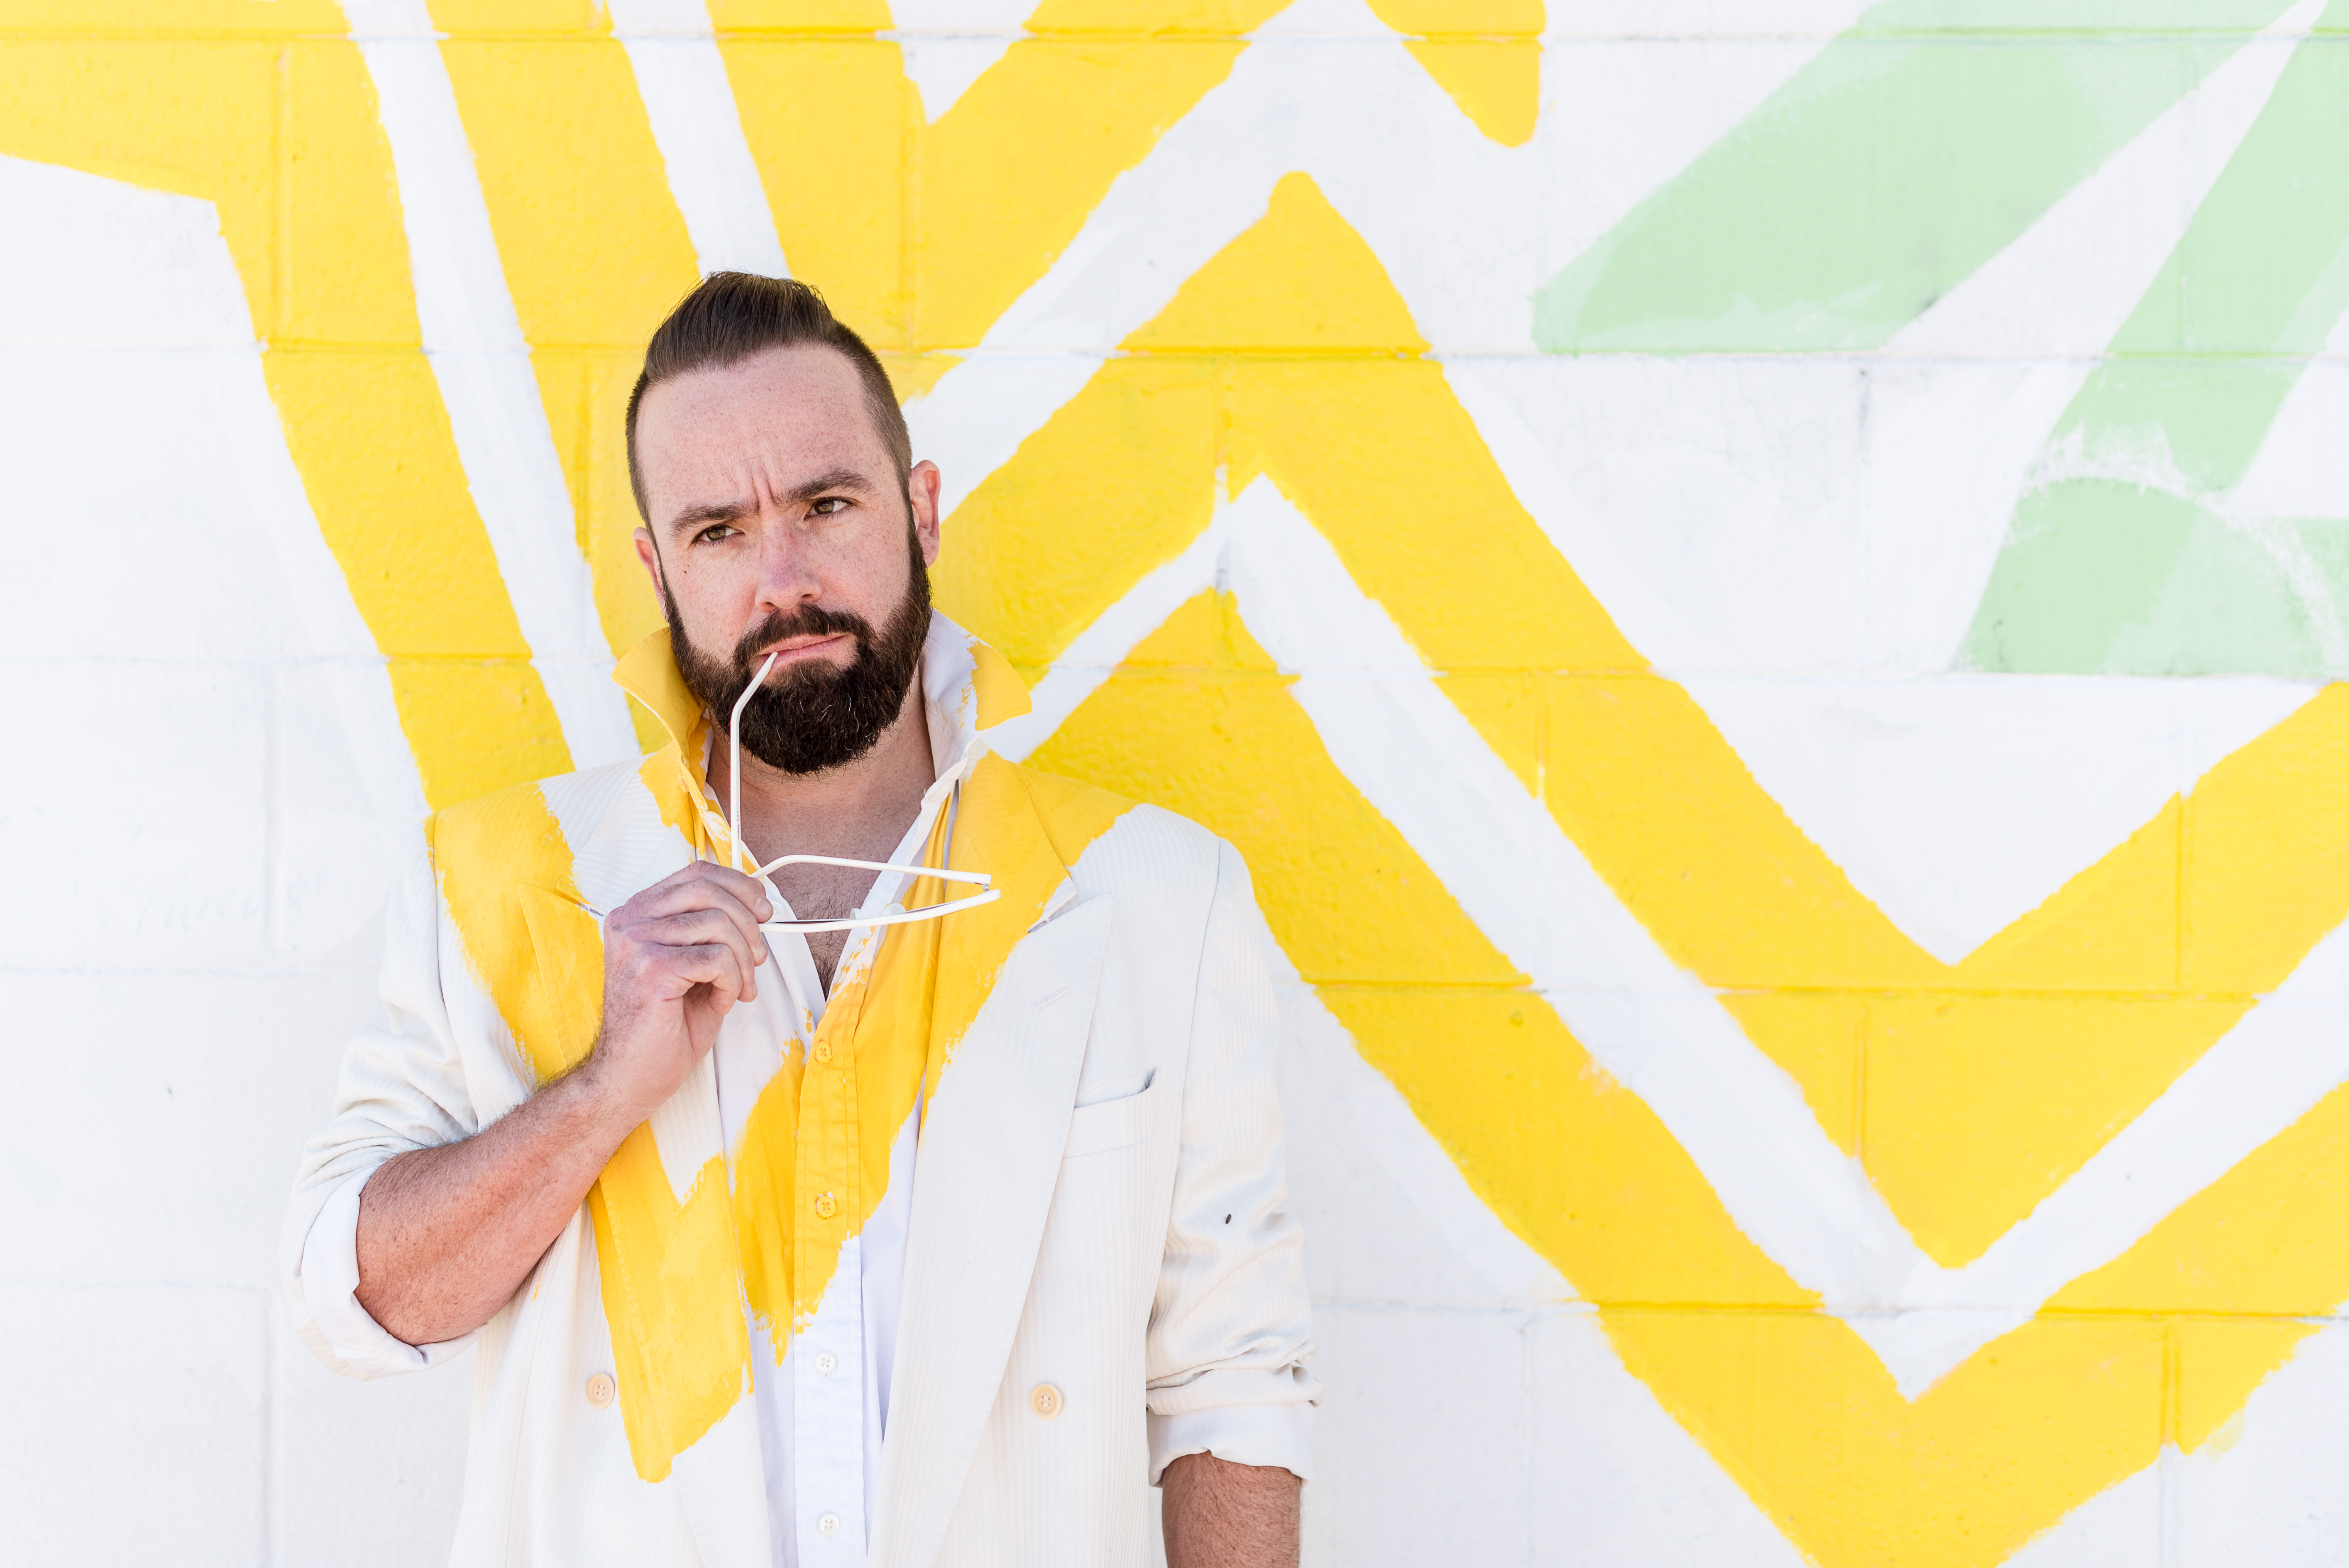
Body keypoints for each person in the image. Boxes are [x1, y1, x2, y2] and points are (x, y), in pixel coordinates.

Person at [282, 273, 1317, 1568]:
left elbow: (1232, 1377)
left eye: (826, 506)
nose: (785, 580)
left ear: (919, 511)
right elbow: (354, 1305)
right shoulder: (504, 881)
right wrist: (604, 1090)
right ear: (659, 570)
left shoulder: (1155, 896)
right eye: (719, 531)